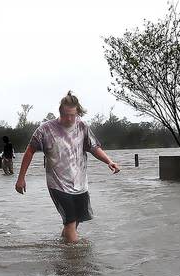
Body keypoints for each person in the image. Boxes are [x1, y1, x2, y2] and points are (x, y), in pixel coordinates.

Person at [15, 91, 120, 243]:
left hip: (80, 183)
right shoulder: (45, 129)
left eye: (73, 115)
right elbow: (29, 151)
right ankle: (76, 263)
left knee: (75, 221)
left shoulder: (82, 126)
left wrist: (109, 161)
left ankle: (62, 247)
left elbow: (94, 148)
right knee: (70, 221)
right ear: (60, 112)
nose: (69, 118)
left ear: (78, 113)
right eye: (65, 114)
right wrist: (21, 178)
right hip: (57, 184)